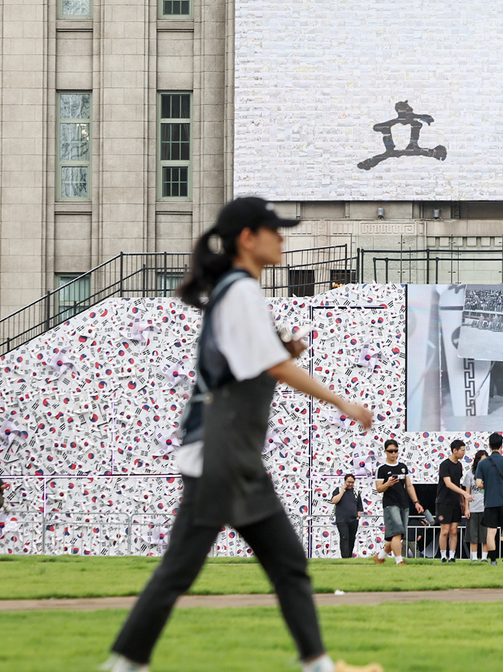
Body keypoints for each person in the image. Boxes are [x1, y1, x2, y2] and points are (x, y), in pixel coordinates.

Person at [107, 196, 378, 672]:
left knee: (286, 565)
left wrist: (283, 346)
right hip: (222, 455)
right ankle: (125, 664)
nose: (282, 237)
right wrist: (341, 401)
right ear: (248, 238)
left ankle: (318, 665)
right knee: (185, 571)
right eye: (274, 229)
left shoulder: (238, 292)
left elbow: (254, 359)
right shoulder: (241, 292)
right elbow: (272, 366)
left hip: (231, 456)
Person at [374, 439, 424, 565]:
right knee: (397, 532)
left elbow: (409, 486)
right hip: (390, 504)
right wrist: (388, 483)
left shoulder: (402, 467)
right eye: (391, 451)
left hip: (404, 504)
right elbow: (379, 489)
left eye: (396, 451)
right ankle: (399, 560)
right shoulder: (382, 469)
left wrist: (416, 502)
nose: (394, 454)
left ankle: (380, 557)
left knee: (397, 535)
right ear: (385, 451)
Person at [475, 432, 503, 565]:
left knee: (491, 532)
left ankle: (493, 560)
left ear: (489, 446)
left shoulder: (482, 464)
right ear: (502, 445)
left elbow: (478, 484)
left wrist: (488, 485)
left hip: (490, 502)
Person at [436, 440, 469, 563]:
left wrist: (462, 500)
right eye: (462, 450)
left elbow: (457, 484)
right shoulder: (445, 465)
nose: (463, 453)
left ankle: (452, 556)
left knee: (454, 531)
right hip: (444, 501)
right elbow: (448, 483)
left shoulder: (459, 466)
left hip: (455, 501)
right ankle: (443, 556)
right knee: (444, 531)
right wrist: (464, 493)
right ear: (455, 450)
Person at [462, 449, 487, 561]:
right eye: (482, 460)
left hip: (485, 508)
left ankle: (485, 558)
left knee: (485, 535)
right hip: (473, 508)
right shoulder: (470, 475)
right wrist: (466, 508)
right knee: (473, 535)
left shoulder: (489, 473)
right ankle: (474, 558)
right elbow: (467, 493)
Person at [329, 474, 362, 559]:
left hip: (353, 520)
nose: (350, 484)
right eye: (349, 482)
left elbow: (359, 506)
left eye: (352, 482)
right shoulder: (338, 490)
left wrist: (358, 516)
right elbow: (334, 501)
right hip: (342, 520)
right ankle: (344, 557)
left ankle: (349, 556)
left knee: (351, 538)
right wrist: (342, 492)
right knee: (344, 538)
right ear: (345, 481)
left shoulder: (356, 492)